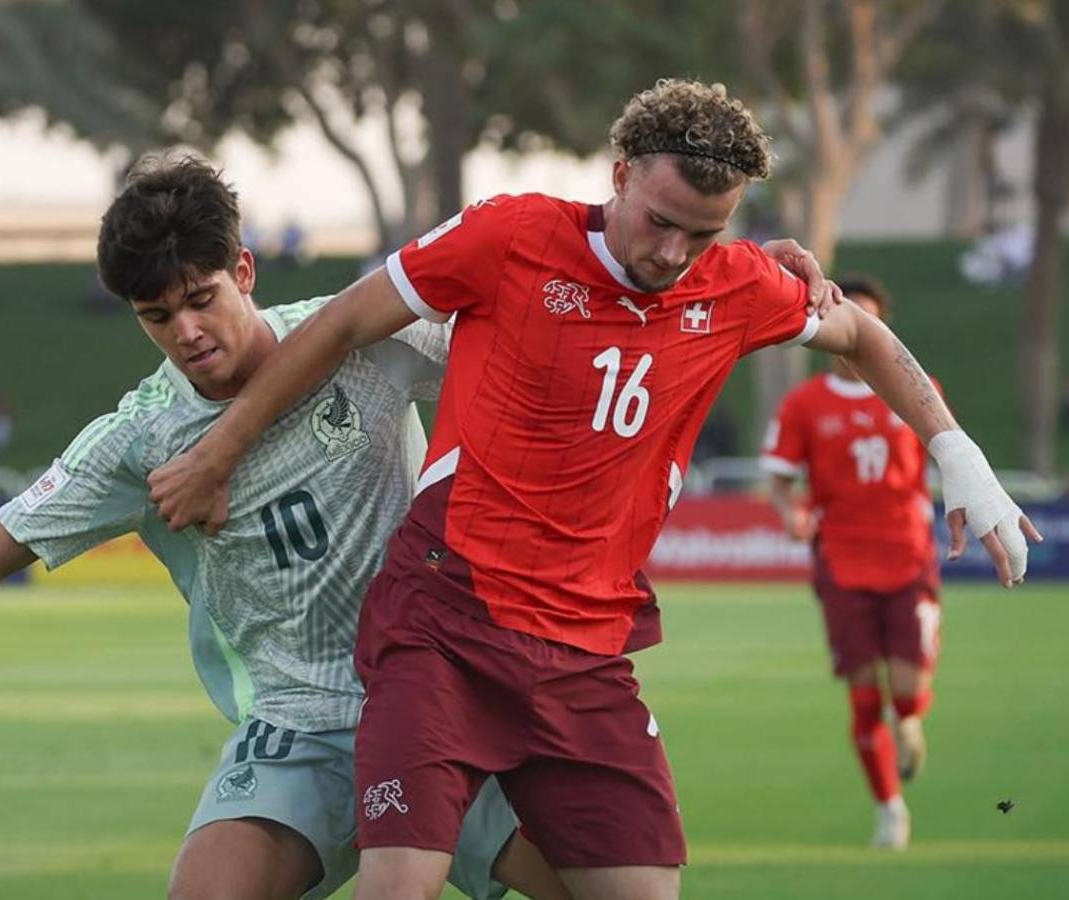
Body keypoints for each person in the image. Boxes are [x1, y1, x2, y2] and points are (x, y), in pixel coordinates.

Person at [145, 79, 1039, 900]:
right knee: (399, 885)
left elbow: (864, 337)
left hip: (585, 651)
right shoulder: (510, 236)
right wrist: (220, 453)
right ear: (619, 175)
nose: (674, 253)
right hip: (443, 622)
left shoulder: (738, 285)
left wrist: (958, 455)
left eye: (703, 234)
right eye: (660, 221)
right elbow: (343, 320)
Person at [0, 156, 570, 900]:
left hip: (439, 697)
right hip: (298, 726)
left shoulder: (359, 339)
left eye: (201, 299)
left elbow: (526, 363)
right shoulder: (141, 440)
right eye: (158, 317)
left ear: (244, 270)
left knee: (608, 888)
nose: (188, 332)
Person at [761, 275, 940, 850]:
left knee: (907, 690)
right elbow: (780, 479)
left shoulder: (916, 386)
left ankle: (909, 721)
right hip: (842, 560)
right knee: (864, 696)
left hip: (909, 555)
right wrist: (792, 511)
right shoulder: (805, 403)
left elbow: (947, 452)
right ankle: (889, 806)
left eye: (868, 318)